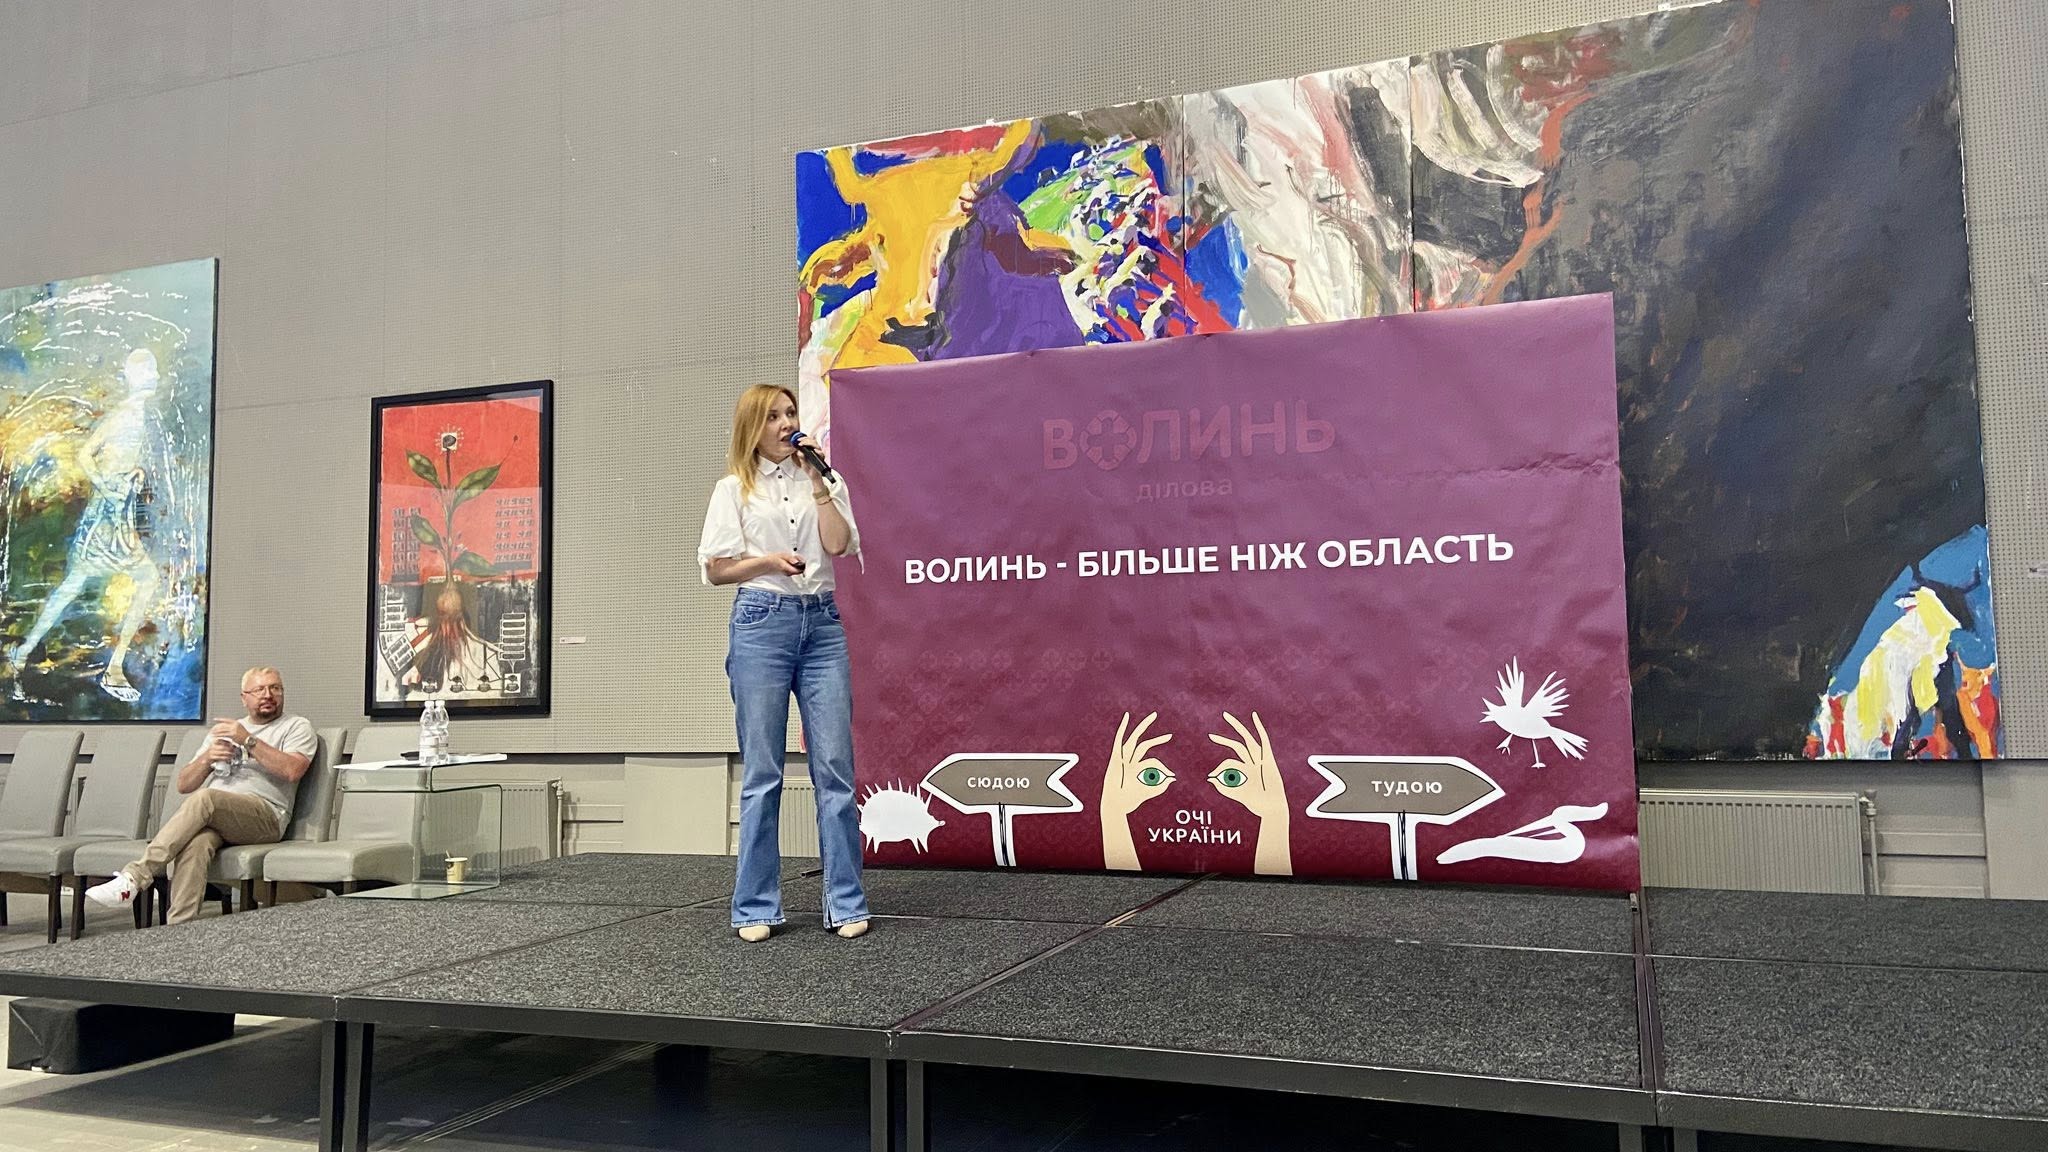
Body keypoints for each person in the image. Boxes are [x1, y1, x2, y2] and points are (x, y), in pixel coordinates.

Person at [697, 384, 868, 942]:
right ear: (753, 426)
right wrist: (767, 561)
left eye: (790, 413)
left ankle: (845, 902)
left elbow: (838, 546)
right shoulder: (733, 488)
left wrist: (820, 484)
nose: (786, 423)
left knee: (835, 770)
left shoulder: (824, 479)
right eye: (773, 416)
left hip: (822, 624)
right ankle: (755, 907)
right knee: (763, 772)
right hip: (761, 622)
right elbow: (717, 569)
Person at [85, 666, 317, 923]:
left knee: (206, 798)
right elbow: (184, 784)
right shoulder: (226, 731)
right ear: (244, 697)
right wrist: (207, 758)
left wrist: (249, 741)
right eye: (259, 689)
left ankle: (135, 877)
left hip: (266, 816)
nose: (268, 695)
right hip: (219, 817)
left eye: (275, 688)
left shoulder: (296, 726)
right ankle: (179, 929)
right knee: (195, 844)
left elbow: (292, 770)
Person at [7, 347, 167, 702]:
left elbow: (118, 458)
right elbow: (85, 454)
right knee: (137, 579)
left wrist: (133, 474)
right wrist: (108, 488)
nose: (154, 376)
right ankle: (112, 669)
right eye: (147, 370)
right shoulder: (123, 414)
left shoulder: (136, 414)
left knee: (76, 584)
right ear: (133, 377)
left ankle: (25, 651)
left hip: (116, 514)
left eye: (154, 370)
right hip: (106, 518)